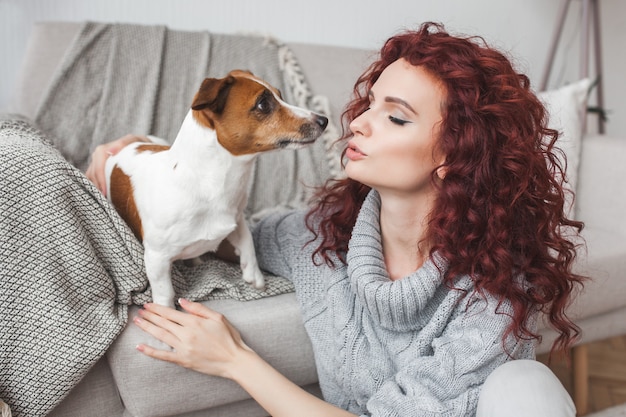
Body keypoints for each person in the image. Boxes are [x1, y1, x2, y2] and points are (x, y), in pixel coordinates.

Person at [87, 22, 581, 416]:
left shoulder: (492, 297)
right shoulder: (319, 239)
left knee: (526, 387)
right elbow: (217, 234)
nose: (359, 121)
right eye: (370, 104)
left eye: (396, 116)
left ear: (454, 155)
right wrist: (119, 179)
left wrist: (234, 360)